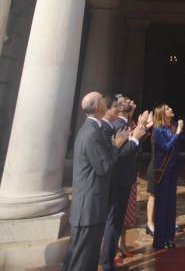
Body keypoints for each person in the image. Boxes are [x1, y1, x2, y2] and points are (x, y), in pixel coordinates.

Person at [64, 92, 129, 271]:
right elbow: (104, 167)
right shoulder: (91, 133)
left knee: (83, 256)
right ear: (100, 107)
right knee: (82, 259)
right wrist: (116, 146)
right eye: (103, 99)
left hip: (90, 205)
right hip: (89, 207)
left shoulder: (91, 129)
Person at [101, 96, 149, 270]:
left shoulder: (123, 123)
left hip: (123, 178)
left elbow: (132, 145)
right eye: (126, 102)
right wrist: (135, 138)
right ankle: (107, 260)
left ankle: (111, 254)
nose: (131, 103)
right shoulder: (118, 125)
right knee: (113, 220)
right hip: (119, 179)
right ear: (118, 108)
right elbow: (119, 155)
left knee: (117, 220)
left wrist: (141, 131)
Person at [152, 104, 184, 250]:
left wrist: (179, 132)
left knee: (171, 204)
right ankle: (159, 240)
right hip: (163, 171)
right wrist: (177, 133)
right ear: (162, 114)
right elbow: (166, 147)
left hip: (173, 169)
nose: (171, 109)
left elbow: (180, 142)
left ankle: (169, 237)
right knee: (162, 205)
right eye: (168, 109)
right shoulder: (158, 130)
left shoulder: (172, 126)